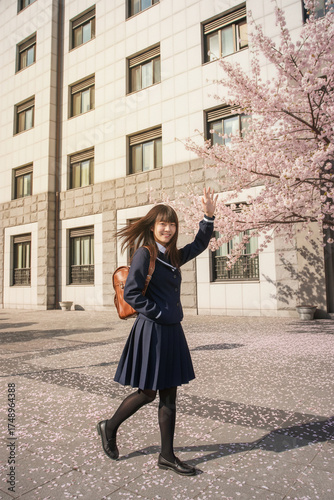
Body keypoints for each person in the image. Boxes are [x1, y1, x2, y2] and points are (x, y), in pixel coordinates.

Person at [97, 188, 217, 476]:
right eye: (162, 224)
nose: (167, 228)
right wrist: (162, 313)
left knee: (169, 397)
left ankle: (166, 456)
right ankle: (109, 426)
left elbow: (200, 244)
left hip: (171, 332)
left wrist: (208, 216)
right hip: (152, 330)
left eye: (172, 224)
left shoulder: (172, 255)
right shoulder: (145, 254)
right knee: (148, 392)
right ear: (152, 227)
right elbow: (133, 294)